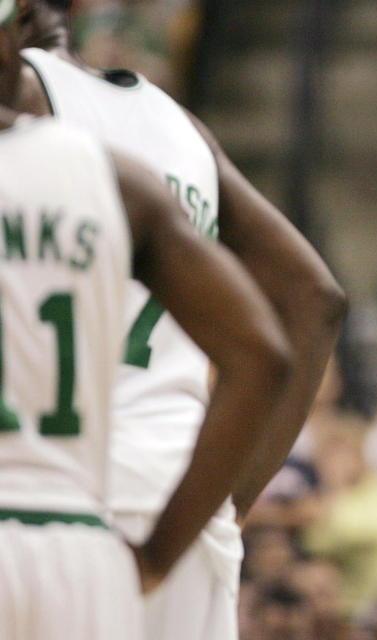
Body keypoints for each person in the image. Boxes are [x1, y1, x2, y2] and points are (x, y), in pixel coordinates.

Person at [12, 1, 347, 638]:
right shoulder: (175, 126)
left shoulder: (21, 105)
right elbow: (315, 300)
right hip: (188, 498)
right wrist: (223, 502)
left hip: (64, 499)